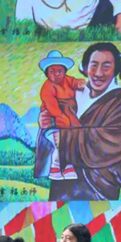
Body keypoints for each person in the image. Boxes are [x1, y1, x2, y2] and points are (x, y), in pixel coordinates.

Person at [37, 42, 121, 201]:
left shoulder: (120, 102)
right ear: (84, 68)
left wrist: (65, 139)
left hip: (95, 187)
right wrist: (46, 122)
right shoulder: (72, 93)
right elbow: (56, 125)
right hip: (63, 184)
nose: (98, 73)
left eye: (106, 66)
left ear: (115, 69)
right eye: (94, 65)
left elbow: (113, 139)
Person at [36, 50, 86, 181]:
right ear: (47, 73)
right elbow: (52, 107)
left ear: (64, 71)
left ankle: (67, 166)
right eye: (52, 71)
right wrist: (61, 118)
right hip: (54, 120)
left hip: (70, 118)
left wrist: (79, 83)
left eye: (60, 71)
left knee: (71, 141)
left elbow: (74, 82)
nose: (57, 74)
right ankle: (56, 167)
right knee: (60, 143)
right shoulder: (47, 87)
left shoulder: (67, 80)